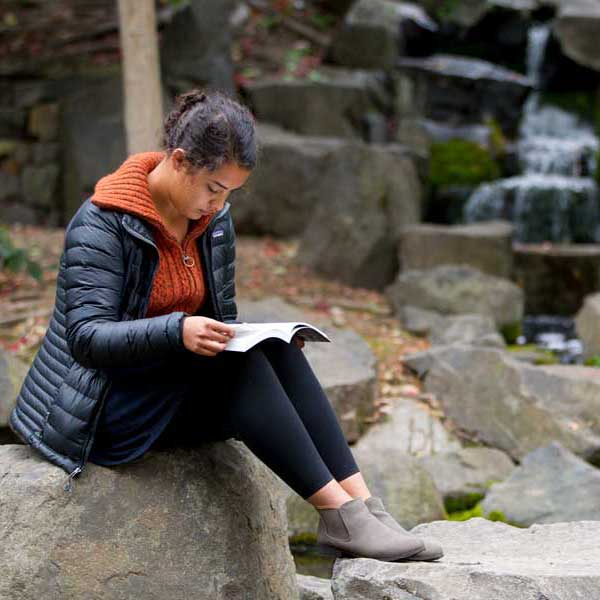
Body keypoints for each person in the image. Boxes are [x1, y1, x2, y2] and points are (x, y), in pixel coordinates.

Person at [9, 87, 442, 562]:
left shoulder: (212, 223)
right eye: (213, 189)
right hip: (101, 409)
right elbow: (87, 339)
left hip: (165, 387)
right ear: (179, 161)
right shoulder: (101, 224)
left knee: (271, 352)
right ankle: (337, 515)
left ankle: (362, 506)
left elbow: (222, 318)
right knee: (235, 369)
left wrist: (243, 337)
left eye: (229, 193)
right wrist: (177, 331)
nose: (218, 204)